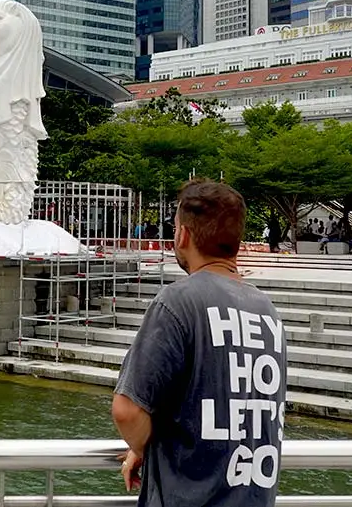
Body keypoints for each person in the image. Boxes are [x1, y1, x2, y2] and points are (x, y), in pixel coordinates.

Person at [112, 180, 284, 506]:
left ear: (183, 235)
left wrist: (147, 448)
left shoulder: (178, 302)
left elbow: (127, 409)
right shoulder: (266, 311)